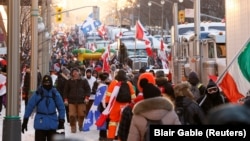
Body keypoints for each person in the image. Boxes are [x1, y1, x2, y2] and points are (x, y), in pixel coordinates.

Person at [127, 77, 181, 141]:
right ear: (159, 96)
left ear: (144, 98)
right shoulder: (171, 113)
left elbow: (132, 139)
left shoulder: (137, 116)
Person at [21, 75, 66, 141]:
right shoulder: (38, 93)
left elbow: (61, 107)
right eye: (45, 83)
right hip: (40, 124)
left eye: (48, 83)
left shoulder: (55, 93)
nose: (47, 85)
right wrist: (25, 120)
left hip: (52, 124)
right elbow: (30, 106)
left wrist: (61, 120)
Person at [104, 69, 136, 140]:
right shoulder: (128, 83)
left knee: (113, 122)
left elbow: (108, 95)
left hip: (115, 106)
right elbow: (133, 96)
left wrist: (107, 104)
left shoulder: (113, 83)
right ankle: (120, 138)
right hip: (126, 106)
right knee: (123, 123)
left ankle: (110, 137)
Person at [63, 67, 91, 133]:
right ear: (72, 73)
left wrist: (87, 98)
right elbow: (65, 91)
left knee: (81, 115)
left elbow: (88, 89)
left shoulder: (84, 80)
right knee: (72, 115)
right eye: (73, 72)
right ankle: (73, 127)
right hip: (71, 101)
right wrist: (65, 99)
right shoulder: (69, 81)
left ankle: (80, 125)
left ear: (79, 72)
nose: (75, 73)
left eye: (76, 71)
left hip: (81, 101)